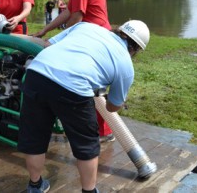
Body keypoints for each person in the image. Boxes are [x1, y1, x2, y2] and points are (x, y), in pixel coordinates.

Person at [18, 20, 150, 193]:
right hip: (74, 89)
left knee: (34, 138)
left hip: (36, 75)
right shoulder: (126, 65)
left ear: (119, 30)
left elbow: (48, 44)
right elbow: (111, 108)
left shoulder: (86, 26)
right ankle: (89, 191)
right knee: (86, 145)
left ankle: (35, 186)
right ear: (136, 49)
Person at [32, 0, 114, 143]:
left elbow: (76, 17)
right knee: (94, 86)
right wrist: (46, 30)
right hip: (99, 37)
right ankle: (100, 131)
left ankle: (100, 133)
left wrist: (62, 42)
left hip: (94, 39)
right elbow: (70, 12)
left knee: (93, 88)